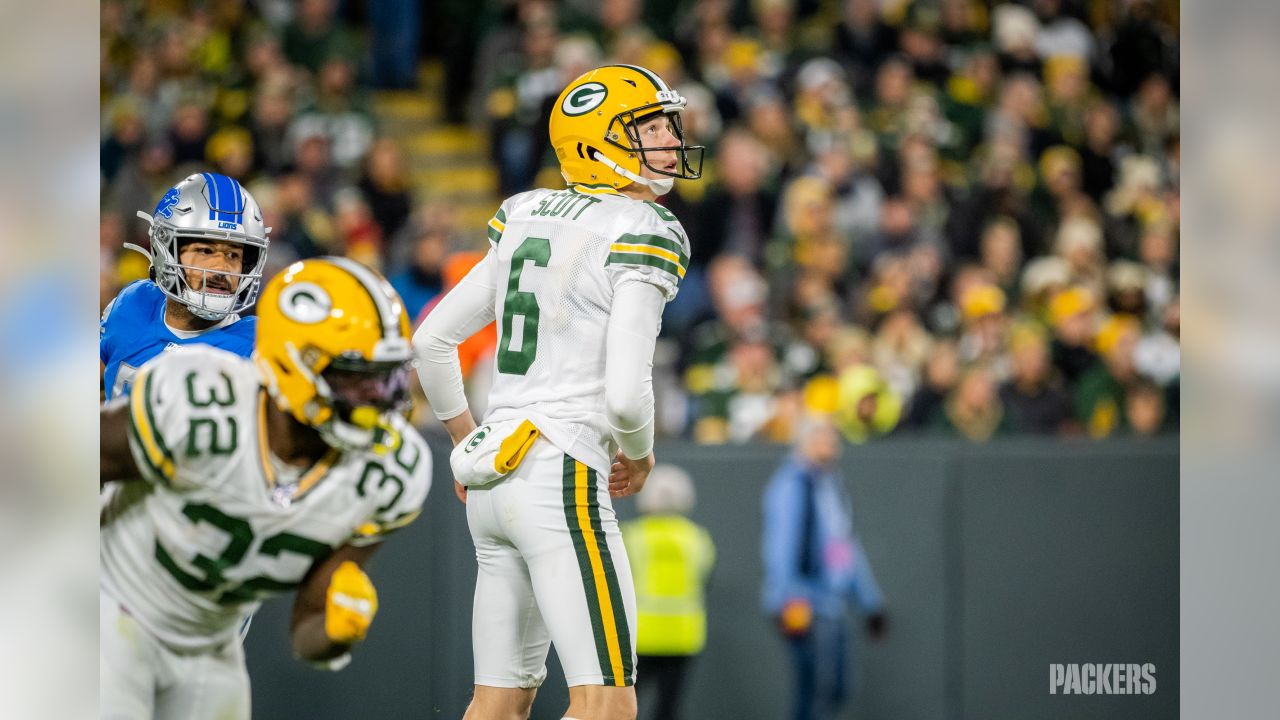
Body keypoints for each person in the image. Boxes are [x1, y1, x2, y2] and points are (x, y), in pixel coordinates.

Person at [413, 64, 704, 720]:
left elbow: (430, 342)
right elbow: (629, 396)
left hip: (493, 474)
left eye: (665, 124)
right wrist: (643, 452)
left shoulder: (525, 212)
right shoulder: (643, 228)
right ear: (597, 142)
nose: (668, 139)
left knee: (498, 704)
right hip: (562, 473)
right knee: (608, 705)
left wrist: (469, 439)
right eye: (650, 128)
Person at [99, 258, 433, 719]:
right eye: (356, 379)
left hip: (213, 644)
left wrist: (337, 630)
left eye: (386, 378)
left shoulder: (390, 473)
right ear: (293, 365)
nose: (377, 400)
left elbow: (308, 629)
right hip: (113, 605)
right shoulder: (201, 401)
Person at [101, 172, 270, 401]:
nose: (222, 268)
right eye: (205, 251)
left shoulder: (257, 346)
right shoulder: (132, 304)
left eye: (233, 254)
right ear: (167, 250)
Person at [762, 415, 887, 720]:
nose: (829, 445)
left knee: (835, 691)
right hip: (805, 604)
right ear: (802, 443)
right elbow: (781, 545)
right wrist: (789, 598)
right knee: (814, 693)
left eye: (832, 437)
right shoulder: (792, 485)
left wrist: (869, 601)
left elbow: (842, 547)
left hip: (832, 605)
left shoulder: (829, 485)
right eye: (820, 437)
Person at [620, 464, 716, 720]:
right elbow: (705, 579)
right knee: (669, 708)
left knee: (626, 706)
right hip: (682, 636)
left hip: (641, 637)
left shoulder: (631, 536)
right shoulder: (698, 538)